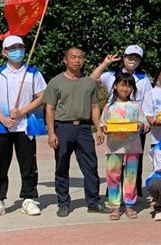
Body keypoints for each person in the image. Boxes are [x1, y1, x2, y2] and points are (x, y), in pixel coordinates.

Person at [0, 35, 47, 219]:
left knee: (28, 163)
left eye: (20, 47)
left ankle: (29, 198)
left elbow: (42, 96)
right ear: (5, 52)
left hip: (25, 126)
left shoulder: (33, 73)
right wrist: (3, 118)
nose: (17, 51)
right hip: (2, 126)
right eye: (13, 48)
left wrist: (23, 111)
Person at [43, 47, 109, 217]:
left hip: (84, 128)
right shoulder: (55, 82)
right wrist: (51, 133)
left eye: (80, 57)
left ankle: (93, 201)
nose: (77, 60)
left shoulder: (89, 82)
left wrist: (99, 128)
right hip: (63, 128)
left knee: (90, 165)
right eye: (73, 57)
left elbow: (95, 106)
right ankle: (63, 203)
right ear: (65, 60)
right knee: (62, 166)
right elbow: (49, 109)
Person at [92, 48, 151, 201]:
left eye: (137, 58)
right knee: (114, 170)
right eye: (130, 57)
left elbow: (148, 102)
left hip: (134, 132)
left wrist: (144, 122)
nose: (133, 61)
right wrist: (105, 63)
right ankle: (114, 200)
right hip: (115, 135)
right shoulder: (111, 76)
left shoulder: (144, 79)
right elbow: (92, 79)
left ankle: (131, 199)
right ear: (124, 58)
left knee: (133, 170)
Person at [99, 72, 148, 219]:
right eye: (122, 85)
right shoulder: (109, 107)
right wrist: (105, 129)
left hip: (132, 146)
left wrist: (141, 125)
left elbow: (143, 123)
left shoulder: (135, 106)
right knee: (113, 175)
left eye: (129, 86)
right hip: (114, 146)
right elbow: (103, 124)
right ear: (115, 86)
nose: (125, 89)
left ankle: (129, 205)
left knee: (131, 176)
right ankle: (115, 206)